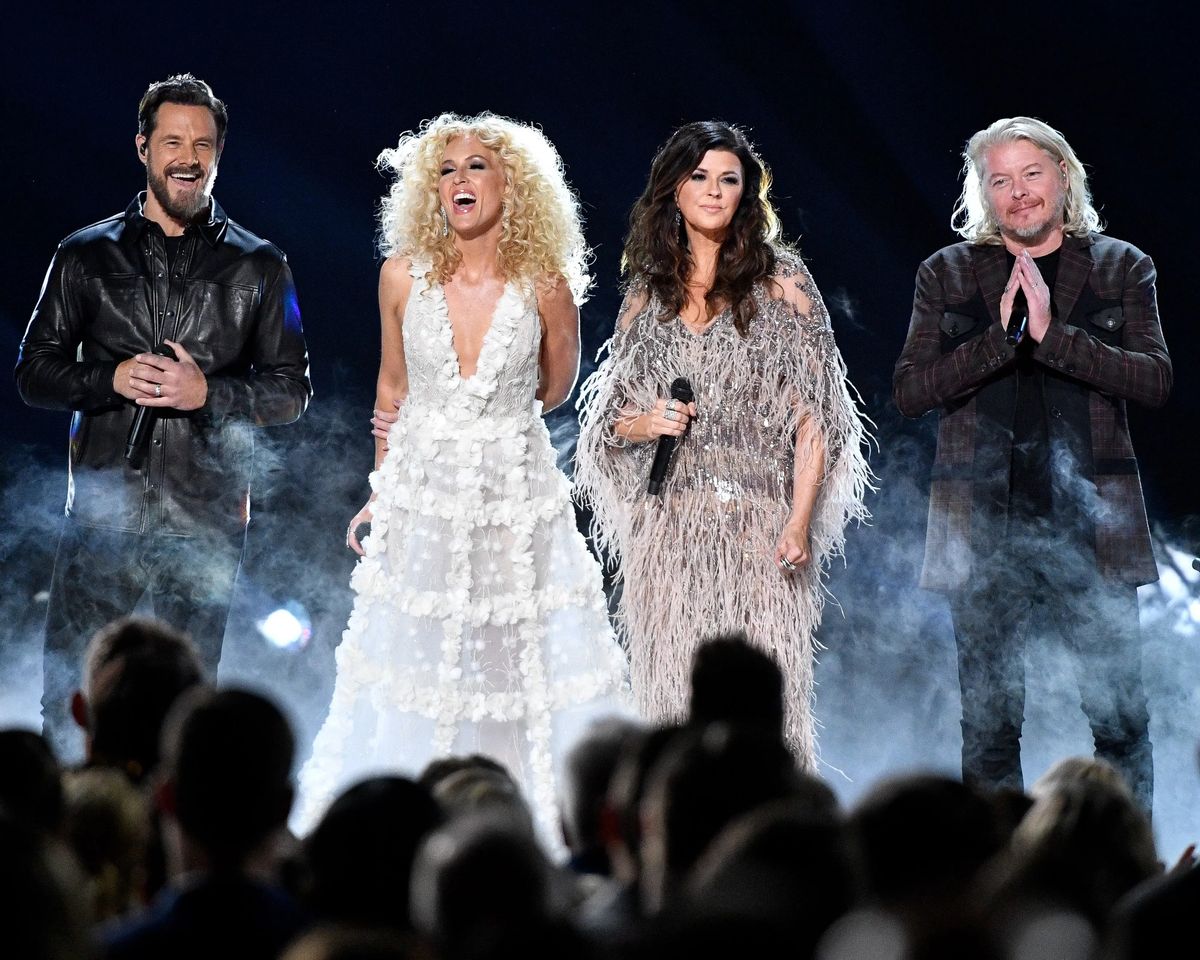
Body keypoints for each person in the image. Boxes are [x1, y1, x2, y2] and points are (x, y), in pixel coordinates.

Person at [295, 113, 628, 840]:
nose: (460, 181)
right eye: (446, 170)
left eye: (477, 166)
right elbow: (390, 390)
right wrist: (382, 489)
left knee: (513, 669)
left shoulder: (547, 285)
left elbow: (556, 385)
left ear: (512, 184)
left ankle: (514, 834)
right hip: (425, 492)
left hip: (515, 493)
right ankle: (413, 831)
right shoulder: (400, 275)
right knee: (417, 660)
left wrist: (489, 424)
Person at [15, 74, 312, 761]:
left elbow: (291, 390)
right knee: (71, 701)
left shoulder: (260, 266)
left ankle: (168, 847)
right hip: (101, 518)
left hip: (203, 523)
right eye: (173, 140)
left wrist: (208, 393)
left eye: (203, 144)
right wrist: (109, 377)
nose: (189, 156)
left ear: (218, 155)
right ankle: (76, 845)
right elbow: (33, 372)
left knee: (187, 716)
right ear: (143, 147)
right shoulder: (85, 255)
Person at [893, 117, 1170, 811]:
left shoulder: (1122, 266)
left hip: (1093, 535)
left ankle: (1122, 871)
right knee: (988, 729)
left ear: (1063, 176)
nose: (1018, 194)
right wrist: (999, 340)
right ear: (982, 192)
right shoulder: (947, 273)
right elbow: (910, 392)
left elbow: (1155, 381)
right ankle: (1000, 882)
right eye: (1000, 180)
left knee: (1119, 723)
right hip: (982, 535)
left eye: (1031, 175)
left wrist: (1054, 337)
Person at [575, 121, 871, 764]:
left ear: (746, 195)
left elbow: (818, 417)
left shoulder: (782, 283)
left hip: (759, 527)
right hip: (669, 534)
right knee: (674, 706)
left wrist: (799, 523)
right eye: (700, 177)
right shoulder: (645, 295)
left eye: (729, 180)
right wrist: (646, 422)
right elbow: (604, 428)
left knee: (765, 706)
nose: (713, 192)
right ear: (673, 190)